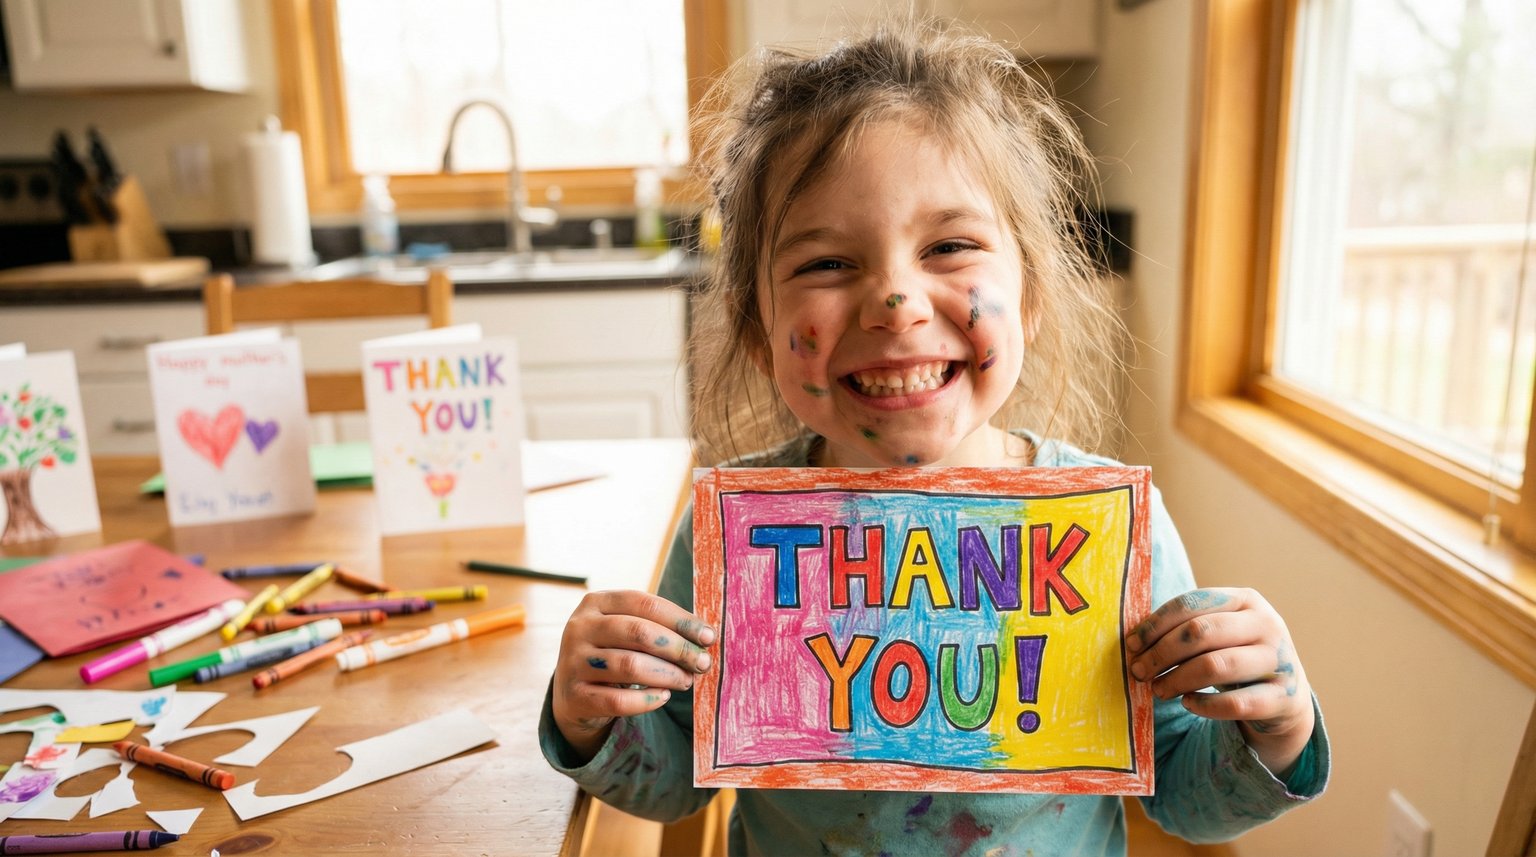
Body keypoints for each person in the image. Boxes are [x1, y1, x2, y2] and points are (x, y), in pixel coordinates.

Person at [541, 18, 1328, 856]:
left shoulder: (1106, 536)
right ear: (755, 330)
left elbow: (1183, 793)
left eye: (949, 246)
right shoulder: (736, 539)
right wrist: (588, 716)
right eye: (827, 263)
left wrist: (1274, 725)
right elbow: (671, 783)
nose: (896, 299)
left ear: (1028, 298)